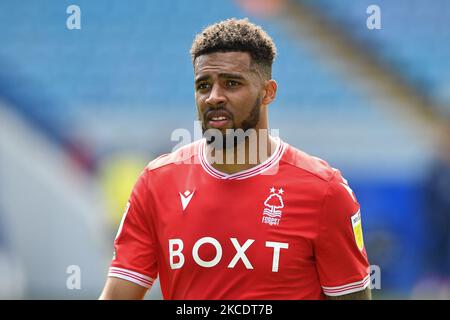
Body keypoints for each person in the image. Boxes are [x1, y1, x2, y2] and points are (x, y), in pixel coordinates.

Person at [99, 18, 371, 300]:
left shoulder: (325, 191)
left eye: (231, 83)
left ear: (268, 92)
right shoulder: (156, 182)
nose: (214, 97)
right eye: (203, 86)